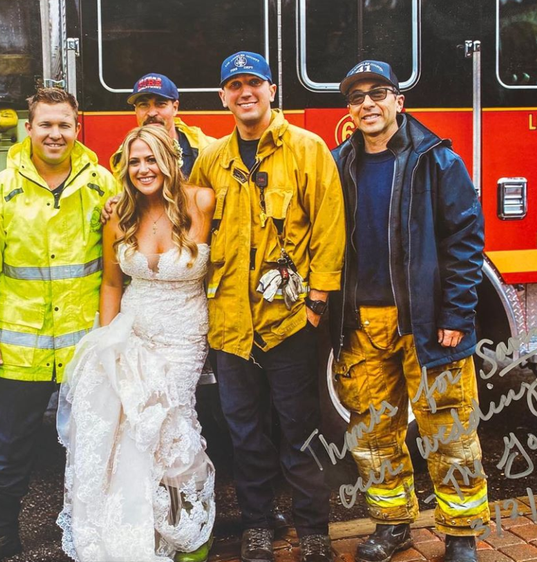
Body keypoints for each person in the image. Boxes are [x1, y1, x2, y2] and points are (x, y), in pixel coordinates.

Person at [329, 60, 489, 562]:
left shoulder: (437, 161)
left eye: (378, 93)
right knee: (374, 434)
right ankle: (391, 525)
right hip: (361, 326)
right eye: (357, 97)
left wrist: (456, 317)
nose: (368, 104)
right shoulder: (338, 163)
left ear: (399, 101)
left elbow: (465, 245)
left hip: (425, 323)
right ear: (349, 111)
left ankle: (461, 534)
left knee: (450, 432)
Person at [189, 51, 345, 562]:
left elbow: (327, 227)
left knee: (301, 432)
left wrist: (316, 304)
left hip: (289, 325)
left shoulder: (307, 148)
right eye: (234, 85)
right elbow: (187, 229)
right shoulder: (212, 159)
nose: (245, 92)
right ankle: (258, 526)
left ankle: (314, 529)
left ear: (272, 90)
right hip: (230, 325)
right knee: (246, 436)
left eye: (254, 82)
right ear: (223, 97)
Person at [0, 87, 119, 562]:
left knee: (94, 448)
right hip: (20, 349)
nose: (55, 134)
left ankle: (98, 533)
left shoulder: (104, 185)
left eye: (64, 125)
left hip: (83, 348)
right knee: (7, 449)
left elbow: (121, 258)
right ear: (28, 129)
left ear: (77, 129)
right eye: (45, 125)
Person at [56, 125, 216, 562]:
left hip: (183, 335)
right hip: (132, 331)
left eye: (151, 159)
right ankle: (144, 531)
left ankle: (188, 531)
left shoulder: (203, 201)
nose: (143, 169)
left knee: (173, 426)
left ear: (170, 159)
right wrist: (107, 344)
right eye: (134, 161)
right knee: (129, 432)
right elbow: (112, 283)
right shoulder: (119, 215)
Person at [111, 72, 214, 177]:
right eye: (143, 105)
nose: (152, 113)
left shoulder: (209, 150)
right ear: (136, 110)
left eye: (160, 104)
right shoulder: (124, 158)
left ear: (175, 108)